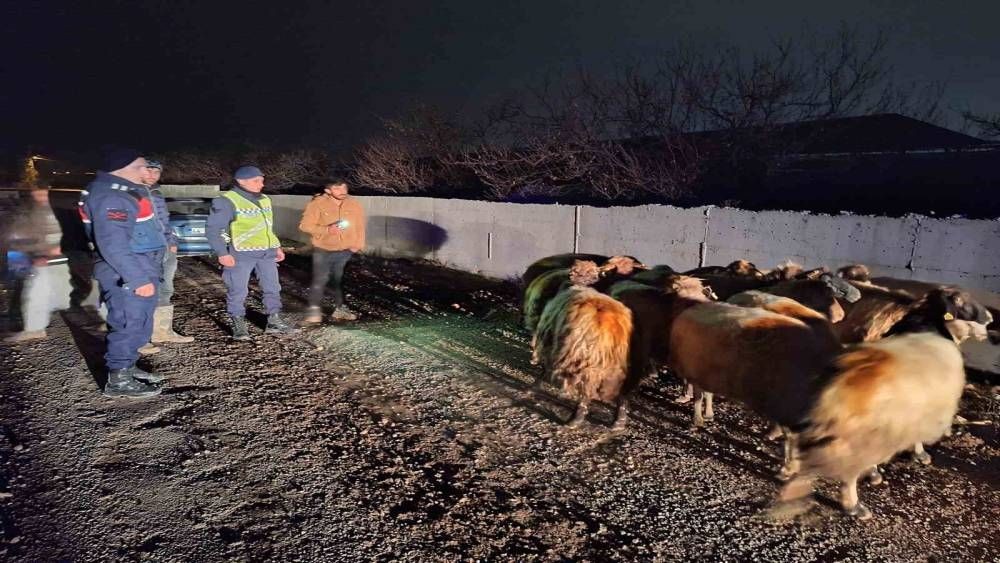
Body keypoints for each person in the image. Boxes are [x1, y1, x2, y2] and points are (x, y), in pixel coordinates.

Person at [79, 149, 166, 398]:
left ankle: (128, 367)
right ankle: (118, 379)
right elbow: (113, 244)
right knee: (129, 322)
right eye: (142, 167)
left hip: (139, 264)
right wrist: (137, 279)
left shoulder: (121, 191)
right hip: (128, 269)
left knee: (139, 322)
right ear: (123, 168)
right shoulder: (112, 196)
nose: (147, 172)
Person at [206, 165, 297, 340]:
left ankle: (274, 320)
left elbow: (267, 227)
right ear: (242, 181)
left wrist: (276, 246)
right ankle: (239, 323)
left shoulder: (265, 199)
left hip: (266, 252)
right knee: (238, 289)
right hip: (240, 253)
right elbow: (213, 229)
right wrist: (222, 253)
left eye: (262, 180)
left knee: (272, 287)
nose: (261, 184)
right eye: (257, 181)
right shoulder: (226, 201)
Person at [139, 159, 194, 348]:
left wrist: (171, 242)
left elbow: (164, 220)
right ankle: (139, 338)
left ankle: (161, 332)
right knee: (142, 291)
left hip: (164, 248)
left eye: (156, 171)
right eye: (149, 170)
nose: (152, 175)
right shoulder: (132, 192)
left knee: (165, 289)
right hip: (145, 249)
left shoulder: (156, 192)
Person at [298, 177, 366, 323]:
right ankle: (314, 311)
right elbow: (305, 226)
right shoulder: (317, 204)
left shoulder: (354, 204)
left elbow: (360, 226)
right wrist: (327, 230)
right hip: (324, 248)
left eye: (344, 187)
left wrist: (358, 244)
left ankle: (340, 309)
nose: (342, 191)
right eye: (337, 188)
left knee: (339, 280)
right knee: (320, 279)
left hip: (346, 249)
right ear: (328, 190)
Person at [3, 186, 64, 343]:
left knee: (35, 293)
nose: (40, 195)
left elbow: (54, 236)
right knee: (31, 290)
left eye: (43, 192)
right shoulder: (35, 209)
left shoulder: (45, 211)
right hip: (31, 255)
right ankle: (32, 325)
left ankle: (35, 329)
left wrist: (46, 256)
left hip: (41, 258)